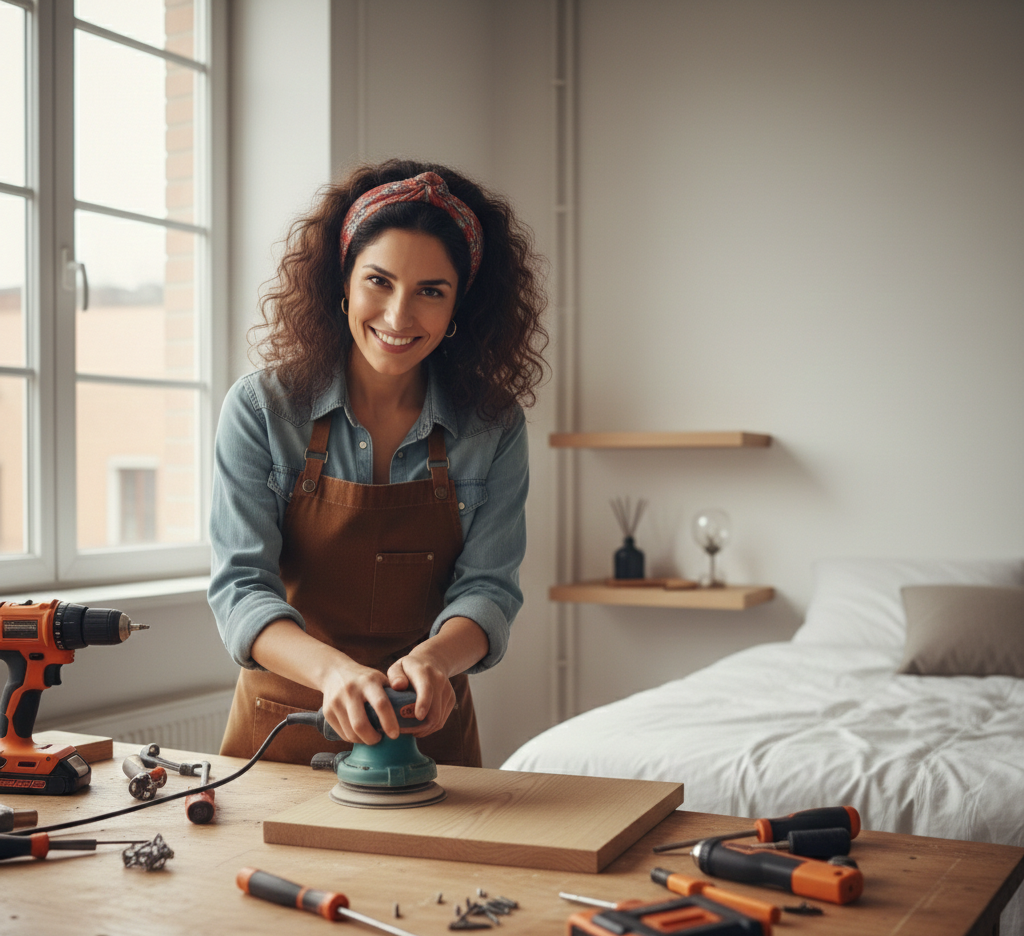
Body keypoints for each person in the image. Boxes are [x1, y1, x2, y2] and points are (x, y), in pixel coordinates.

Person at [208, 159, 548, 767]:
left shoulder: (492, 426)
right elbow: (241, 589)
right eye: (379, 282)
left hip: (426, 735)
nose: (397, 317)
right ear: (342, 284)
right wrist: (335, 674)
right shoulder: (261, 409)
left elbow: (489, 588)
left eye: (431, 292)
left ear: (459, 308)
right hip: (282, 730)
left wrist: (434, 661)